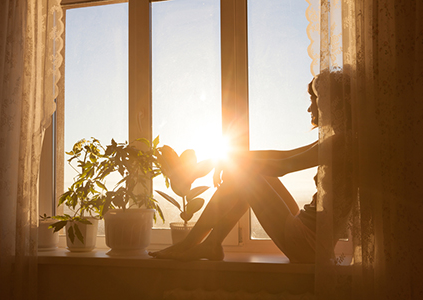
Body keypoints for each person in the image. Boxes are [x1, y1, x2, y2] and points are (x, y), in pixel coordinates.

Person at [149, 73, 351, 263]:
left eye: (314, 100)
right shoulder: (338, 140)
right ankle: (211, 243)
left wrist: (233, 162)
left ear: (330, 103)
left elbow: (282, 166)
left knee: (244, 175)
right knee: (254, 175)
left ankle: (189, 244)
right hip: (309, 235)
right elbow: (284, 155)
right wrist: (233, 157)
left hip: (307, 243)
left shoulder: (340, 143)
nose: (310, 109)